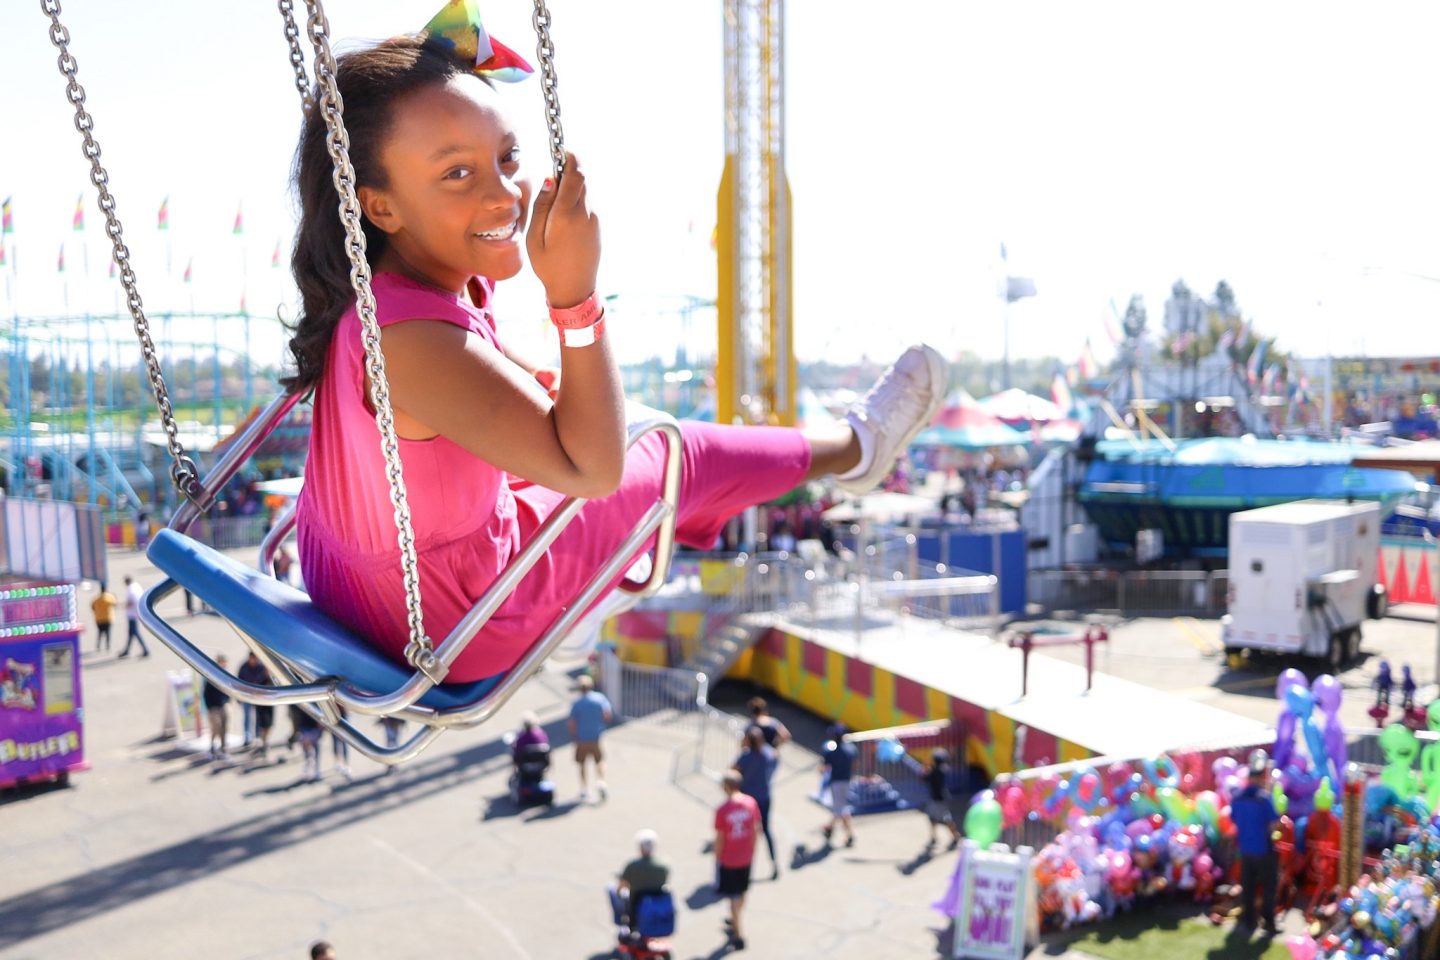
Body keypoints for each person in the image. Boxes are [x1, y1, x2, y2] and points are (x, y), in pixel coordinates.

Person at [284, 27, 946, 693]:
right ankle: (855, 450)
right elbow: (591, 470)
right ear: (379, 206)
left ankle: (721, 496)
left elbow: (482, 353)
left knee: (609, 428)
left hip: (357, 579)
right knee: (671, 451)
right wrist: (574, 298)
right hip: (452, 620)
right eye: (457, 173)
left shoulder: (377, 293)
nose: (503, 195)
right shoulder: (416, 344)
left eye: (507, 159)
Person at [1231, 749, 1280, 936]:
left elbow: (1235, 820)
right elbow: (1274, 824)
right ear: (1260, 777)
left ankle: (1249, 921)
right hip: (1264, 849)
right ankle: (1269, 923)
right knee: (1269, 888)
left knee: (1248, 887)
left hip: (1246, 849)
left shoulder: (1237, 798)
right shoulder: (1264, 798)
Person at [714, 770, 760, 950]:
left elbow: (720, 838)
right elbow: (756, 829)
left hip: (729, 858)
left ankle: (738, 932)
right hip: (746, 856)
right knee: (741, 892)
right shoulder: (751, 803)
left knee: (732, 895)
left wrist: (717, 857)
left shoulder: (723, 810)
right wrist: (752, 850)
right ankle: (736, 918)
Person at [733, 726, 780, 879]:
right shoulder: (769, 753)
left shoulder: (745, 757)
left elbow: (734, 773)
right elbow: (775, 761)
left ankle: (744, 866)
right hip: (764, 797)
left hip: (748, 801)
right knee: (766, 830)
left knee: (747, 833)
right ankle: (774, 863)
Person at [609, 828, 670, 932]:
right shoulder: (664, 866)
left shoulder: (632, 866)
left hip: (636, 903)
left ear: (640, 847)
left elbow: (622, 886)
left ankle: (621, 922)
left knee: (610, 889)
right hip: (655, 902)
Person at [568, 675, 612, 800]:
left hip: (582, 738)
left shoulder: (577, 703)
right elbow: (607, 715)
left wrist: (574, 736)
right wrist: (601, 725)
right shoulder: (600, 698)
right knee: (599, 760)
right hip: (596, 736)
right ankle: (601, 781)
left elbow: (572, 723)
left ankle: (584, 788)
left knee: (582, 764)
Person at [819, 723, 857, 848]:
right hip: (847, 781)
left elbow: (824, 769)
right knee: (841, 807)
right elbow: (855, 765)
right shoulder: (851, 749)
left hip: (836, 782)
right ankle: (830, 828)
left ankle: (848, 834)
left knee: (839, 809)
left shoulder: (831, 752)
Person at [921, 748, 962, 850]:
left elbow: (923, 778)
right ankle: (939, 837)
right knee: (941, 818)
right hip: (942, 798)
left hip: (937, 800)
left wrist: (925, 768)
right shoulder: (943, 769)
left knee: (941, 819)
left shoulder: (935, 772)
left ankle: (952, 837)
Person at [236, 651, 273, 752]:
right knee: (247, 716)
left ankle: (257, 736)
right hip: (247, 696)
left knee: (258, 717)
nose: (253, 661)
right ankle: (248, 737)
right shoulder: (244, 667)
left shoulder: (261, 667)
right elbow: (239, 682)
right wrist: (239, 698)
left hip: (257, 697)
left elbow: (265, 680)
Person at [202, 654, 231, 760]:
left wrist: (228, 701)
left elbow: (229, 689)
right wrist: (209, 707)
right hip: (214, 707)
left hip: (223, 704)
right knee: (216, 727)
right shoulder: (211, 676)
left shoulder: (226, 674)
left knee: (225, 727)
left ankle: (223, 748)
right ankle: (212, 747)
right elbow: (206, 693)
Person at [118, 575, 149, 658]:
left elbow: (130, 603)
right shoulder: (136, 586)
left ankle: (145, 650)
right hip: (136, 612)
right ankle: (127, 650)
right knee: (131, 633)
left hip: (131, 614)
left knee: (134, 632)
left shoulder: (130, 590)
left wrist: (121, 606)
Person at [290, 705, 324, 781]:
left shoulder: (317, 701)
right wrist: (296, 730)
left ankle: (317, 768)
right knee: (306, 748)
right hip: (304, 726)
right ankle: (308, 763)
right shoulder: (300, 702)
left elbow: (322, 712)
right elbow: (295, 714)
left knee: (316, 747)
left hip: (315, 726)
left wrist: (321, 727)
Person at [91, 582, 118, 653]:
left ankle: (98, 646)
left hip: (99, 618)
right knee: (108, 633)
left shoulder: (96, 598)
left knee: (100, 633)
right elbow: (115, 604)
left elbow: (92, 606)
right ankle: (108, 646)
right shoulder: (110, 597)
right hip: (108, 618)